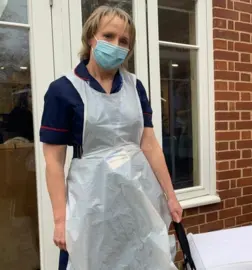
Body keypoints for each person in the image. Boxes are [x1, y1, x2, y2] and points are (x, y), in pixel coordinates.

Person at [40, 6, 182, 270]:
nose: (116, 45)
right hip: (90, 200)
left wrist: (170, 196)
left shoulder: (134, 87)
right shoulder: (63, 90)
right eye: (109, 36)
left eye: (124, 41)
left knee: (144, 258)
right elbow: (53, 162)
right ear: (91, 37)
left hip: (138, 198)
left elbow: (148, 144)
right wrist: (60, 220)